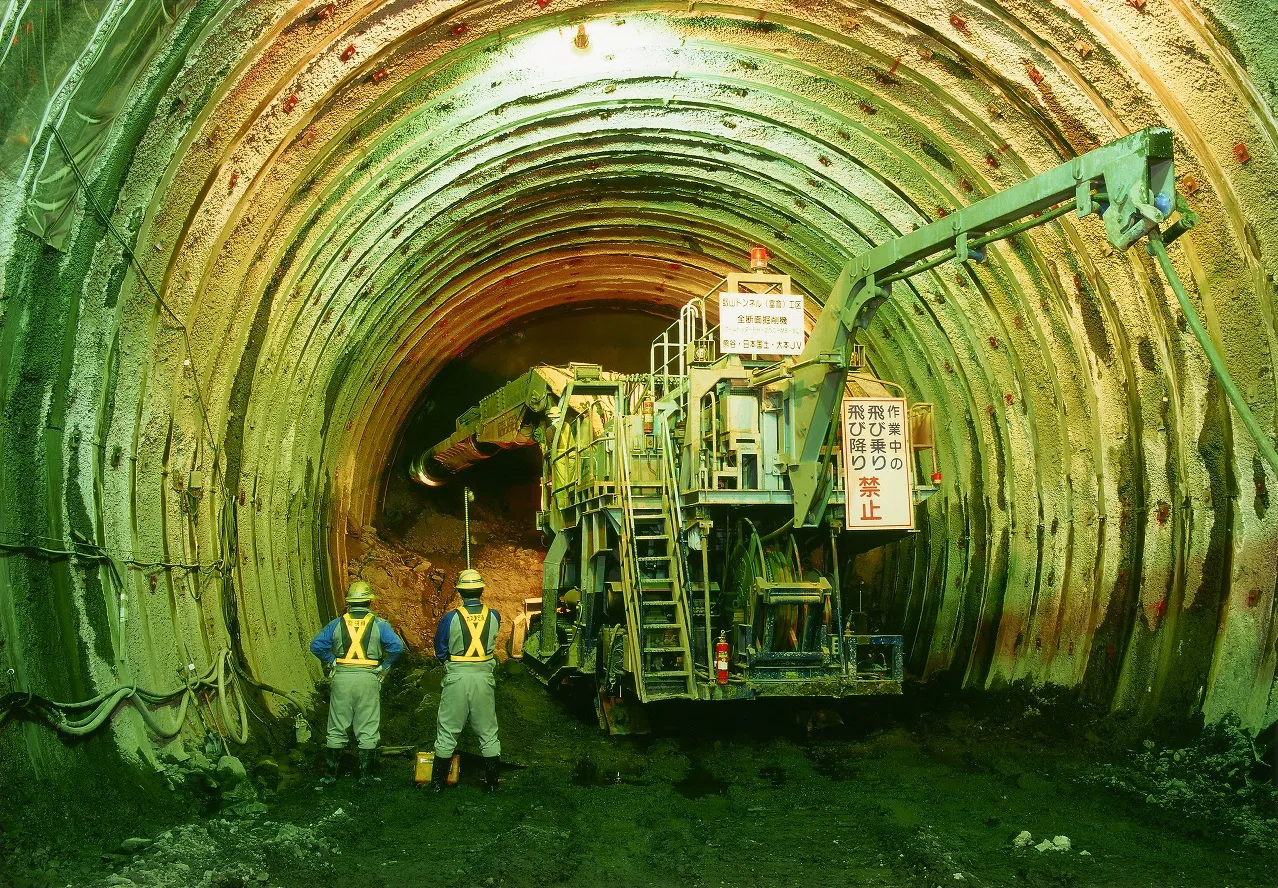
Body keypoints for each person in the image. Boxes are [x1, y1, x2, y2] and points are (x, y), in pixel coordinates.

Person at [309, 580, 404, 785]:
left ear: (349, 603)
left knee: (336, 725)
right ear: (370, 601)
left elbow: (316, 645)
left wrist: (332, 660)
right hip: (368, 677)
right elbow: (396, 647)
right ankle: (365, 776)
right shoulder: (379, 624)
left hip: (342, 676)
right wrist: (384, 666)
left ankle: (329, 776)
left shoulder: (337, 623)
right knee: (368, 724)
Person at [431, 569, 501, 792]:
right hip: (483, 677)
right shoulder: (494, 615)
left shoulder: (451, 618)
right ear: (481, 590)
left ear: (460, 591)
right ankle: (492, 785)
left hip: (457, 676)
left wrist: (451, 663)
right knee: (488, 730)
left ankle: (437, 785)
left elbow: (439, 648)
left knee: (448, 730)